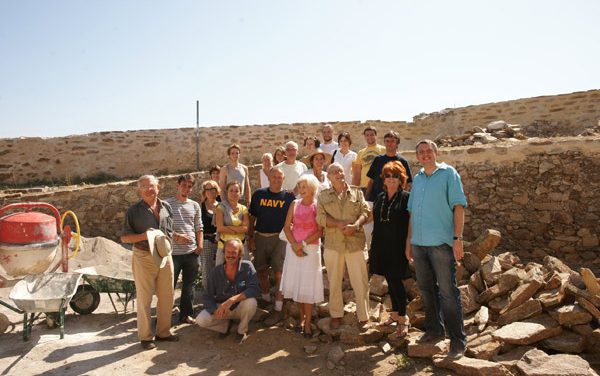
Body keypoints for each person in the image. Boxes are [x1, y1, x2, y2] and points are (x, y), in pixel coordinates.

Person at [406, 139, 468, 359]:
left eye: (428, 151)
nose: (425, 155)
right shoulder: (418, 179)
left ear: (436, 152)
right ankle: (434, 331)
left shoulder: (449, 174)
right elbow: (412, 212)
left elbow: (458, 207)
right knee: (426, 289)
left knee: (448, 293)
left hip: (441, 243)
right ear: (417, 156)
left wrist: (458, 238)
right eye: (420, 152)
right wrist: (409, 242)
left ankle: (458, 341)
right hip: (419, 244)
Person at [121, 175, 178, 350]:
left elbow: (169, 231)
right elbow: (125, 238)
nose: (148, 189)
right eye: (144, 186)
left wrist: (177, 237)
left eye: (151, 185)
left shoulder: (166, 206)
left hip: (165, 256)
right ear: (139, 190)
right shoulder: (133, 211)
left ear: (158, 187)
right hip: (143, 256)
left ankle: (163, 333)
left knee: (167, 296)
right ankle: (145, 337)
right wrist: (144, 236)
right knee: (144, 299)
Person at [316, 163, 371, 330]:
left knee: (360, 281)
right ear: (329, 177)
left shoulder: (356, 192)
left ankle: (364, 316)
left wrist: (356, 225)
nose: (338, 173)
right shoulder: (323, 196)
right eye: (333, 172)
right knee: (334, 282)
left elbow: (365, 212)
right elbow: (320, 218)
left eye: (340, 170)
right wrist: (339, 223)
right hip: (334, 245)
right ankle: (336, 315)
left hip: (356, 242)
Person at [248, 167, 295, 326]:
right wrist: (250, 237)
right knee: (261, 270)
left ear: (283, 179)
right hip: (260, 236)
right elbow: (252, 217)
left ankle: (278, 308)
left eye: (279, 177)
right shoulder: (259, 194)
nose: (276, 179)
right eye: (273, 177)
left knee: (279, 273)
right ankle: (267, 299)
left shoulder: (289, 197)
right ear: (268, 178)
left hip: (280, 238)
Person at [369, 161, 410, 337]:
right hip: (380, 244)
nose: (391, 179)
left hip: (398, 246)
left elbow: (411, 223)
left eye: (395, 176)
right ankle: (394, 313)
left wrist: (409, 243)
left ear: (401, 180)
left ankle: (403, 317)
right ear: (384, 179)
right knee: (389, 279)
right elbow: (373, 219)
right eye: (388, 176)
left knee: (396, 280)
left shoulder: (407, 197)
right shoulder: (380, 197)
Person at [280, 174, 324, 337]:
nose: (301, 189)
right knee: (297, 284)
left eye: (304, 186)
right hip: (293, 250)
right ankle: (301, 319)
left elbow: (320, 231)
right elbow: (286, 227)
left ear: (312, 187)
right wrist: (294, 245)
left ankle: (307, 325)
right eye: (300, 186)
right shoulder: (294, 204)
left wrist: (302, 245)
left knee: (308, 286)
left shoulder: (318, 206)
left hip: (310, 250)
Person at [195, 238, 259, 344]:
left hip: (239, 307)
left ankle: (241, 330)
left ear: (240, 254)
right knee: (201, 320)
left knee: (251, 302)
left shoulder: (247, 266)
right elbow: (207, 296)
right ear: (224, 253)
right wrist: (214, 310)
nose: (230, 255)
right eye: (228, 252)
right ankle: (224, 326)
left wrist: (231, 300)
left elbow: (254, 288)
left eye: (234, 252)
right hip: (222, 309)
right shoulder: (216, 271)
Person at [166, 174, 203, 325]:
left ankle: (185, 315)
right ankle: (164, 317)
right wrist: (176, 236)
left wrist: (199, 245)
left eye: (189, 186)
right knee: (169, 286)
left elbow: (199, 227)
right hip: (173, 253)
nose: (186, 189)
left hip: (191, 253)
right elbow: (162, 227)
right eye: (184, 185)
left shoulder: (194, 205)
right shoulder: (167, 204)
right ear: (178, 184)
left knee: (189, 285)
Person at [366, 131, 412, 202]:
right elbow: (371, 181)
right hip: (376, 199)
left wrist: (402, 199)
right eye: (387, 141)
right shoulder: (377, 160)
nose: (389, 143)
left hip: (395, 201)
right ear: (384, 143)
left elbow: (407, 183)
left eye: (392, 141)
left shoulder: (403, 161)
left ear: (397, 144)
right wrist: (366, 197)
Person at [215, 181, 249, 265]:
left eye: (236, 191)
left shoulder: (243, 209)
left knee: (242, 274)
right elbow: (220, 228)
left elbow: (245, 228)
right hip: (224, 246)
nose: (234, 193)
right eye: (231, 190)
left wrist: (228, 228)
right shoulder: (221, 207)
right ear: (227, 192)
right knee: (221, 273)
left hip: (241, 246)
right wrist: (237, 230)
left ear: (240, 193)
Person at [199, 180, 220, 291]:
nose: (210, 192)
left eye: (213, 189)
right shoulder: (200, 207)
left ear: (217, 191)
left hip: (220, 241)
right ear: (204, 192)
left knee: (219, 266)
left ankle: (219, 291)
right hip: (206, 241)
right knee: (207, 268)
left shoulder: (221, 206)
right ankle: (208, 292)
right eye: (208, 189)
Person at [352, 126, 386, 191]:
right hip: (364, 187)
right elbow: (357, 174)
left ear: (376, 136)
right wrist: (354, 189)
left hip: (379, 187)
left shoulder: (384, 150)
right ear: (364, 137)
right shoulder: (361, 152)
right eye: (367, 135)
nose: (369, 137)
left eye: (372, 135)